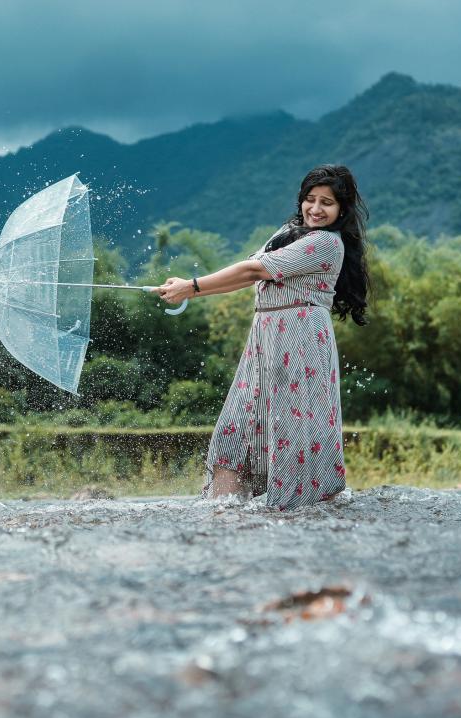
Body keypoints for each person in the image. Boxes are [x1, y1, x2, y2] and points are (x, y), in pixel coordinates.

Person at [153, 165, 370, 510]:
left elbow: (255, 269)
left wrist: (191, 287)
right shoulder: (288, 233)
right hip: (265, 341)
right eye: (310, 199)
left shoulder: (327, 243)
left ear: (341, 209)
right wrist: (188, 290)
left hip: (301, 342)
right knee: (234, 431)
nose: (315, 209)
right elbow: (247, 274)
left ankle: (300, 515)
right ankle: (221, 515)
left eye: (326, 203)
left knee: (295, 433)